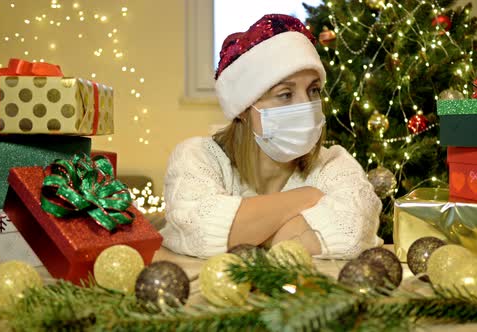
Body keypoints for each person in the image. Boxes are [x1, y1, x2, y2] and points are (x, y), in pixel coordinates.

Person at [161, 14, 383, 258]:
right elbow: (200, 229)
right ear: (245, 108)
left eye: (313, 90)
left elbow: (353, 231)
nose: (306, 105)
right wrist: (306, 197)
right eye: (285, 94)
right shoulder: (196, 157)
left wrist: (246, 232)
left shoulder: (334, 164)